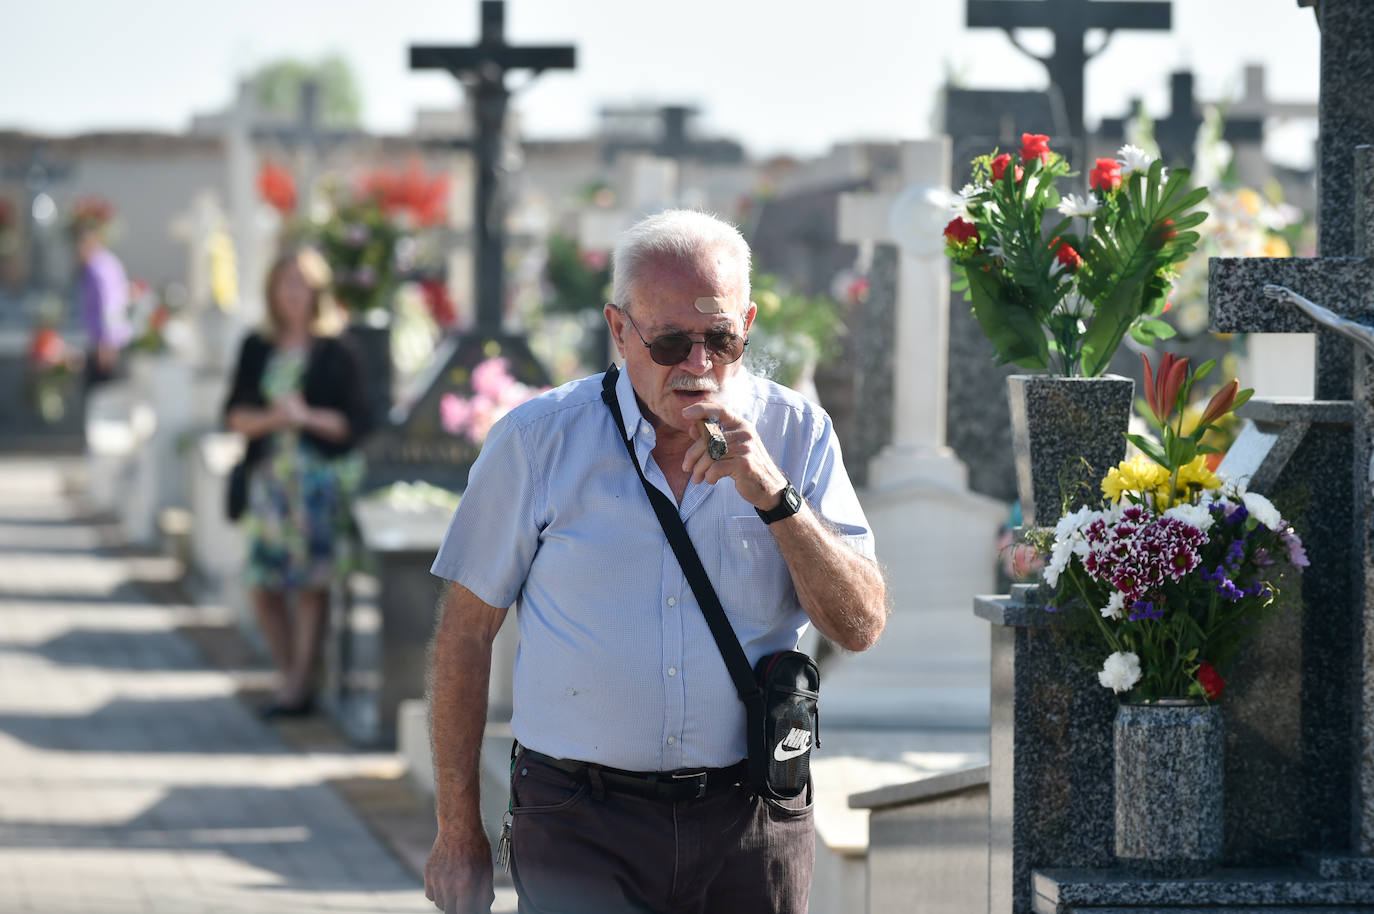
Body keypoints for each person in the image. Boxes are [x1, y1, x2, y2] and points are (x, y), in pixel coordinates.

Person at [424, 210, 888, 914]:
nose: (698, 365)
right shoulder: (538, 442)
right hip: (581, 821)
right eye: (670, 341)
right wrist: (458, 832)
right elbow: (464, 635)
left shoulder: (797, 434)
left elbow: (860, 625)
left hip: (750, 817)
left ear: (747, 326)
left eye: (720, 339)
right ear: (619, 331)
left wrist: (776, 498)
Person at [222, 248, 373, 718]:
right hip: (270, 484)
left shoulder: (337, 348)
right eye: (284, 283)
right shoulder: (257, 345)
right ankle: (292, 675)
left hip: (317, 487)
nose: (292, 293)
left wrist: (305, 417)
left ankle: (300, 685)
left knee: (311, 585)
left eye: (301, 283)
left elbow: (356, 423)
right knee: (262, 584)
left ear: (317, 290)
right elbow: (234, 414)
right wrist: (274, 417)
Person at [75, 225, 132, 387]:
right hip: (113, 343)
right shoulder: (107, 261)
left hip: (107, 347)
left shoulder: (97, 268)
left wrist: (106, 344)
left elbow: (109, 305)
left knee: (102, 394)